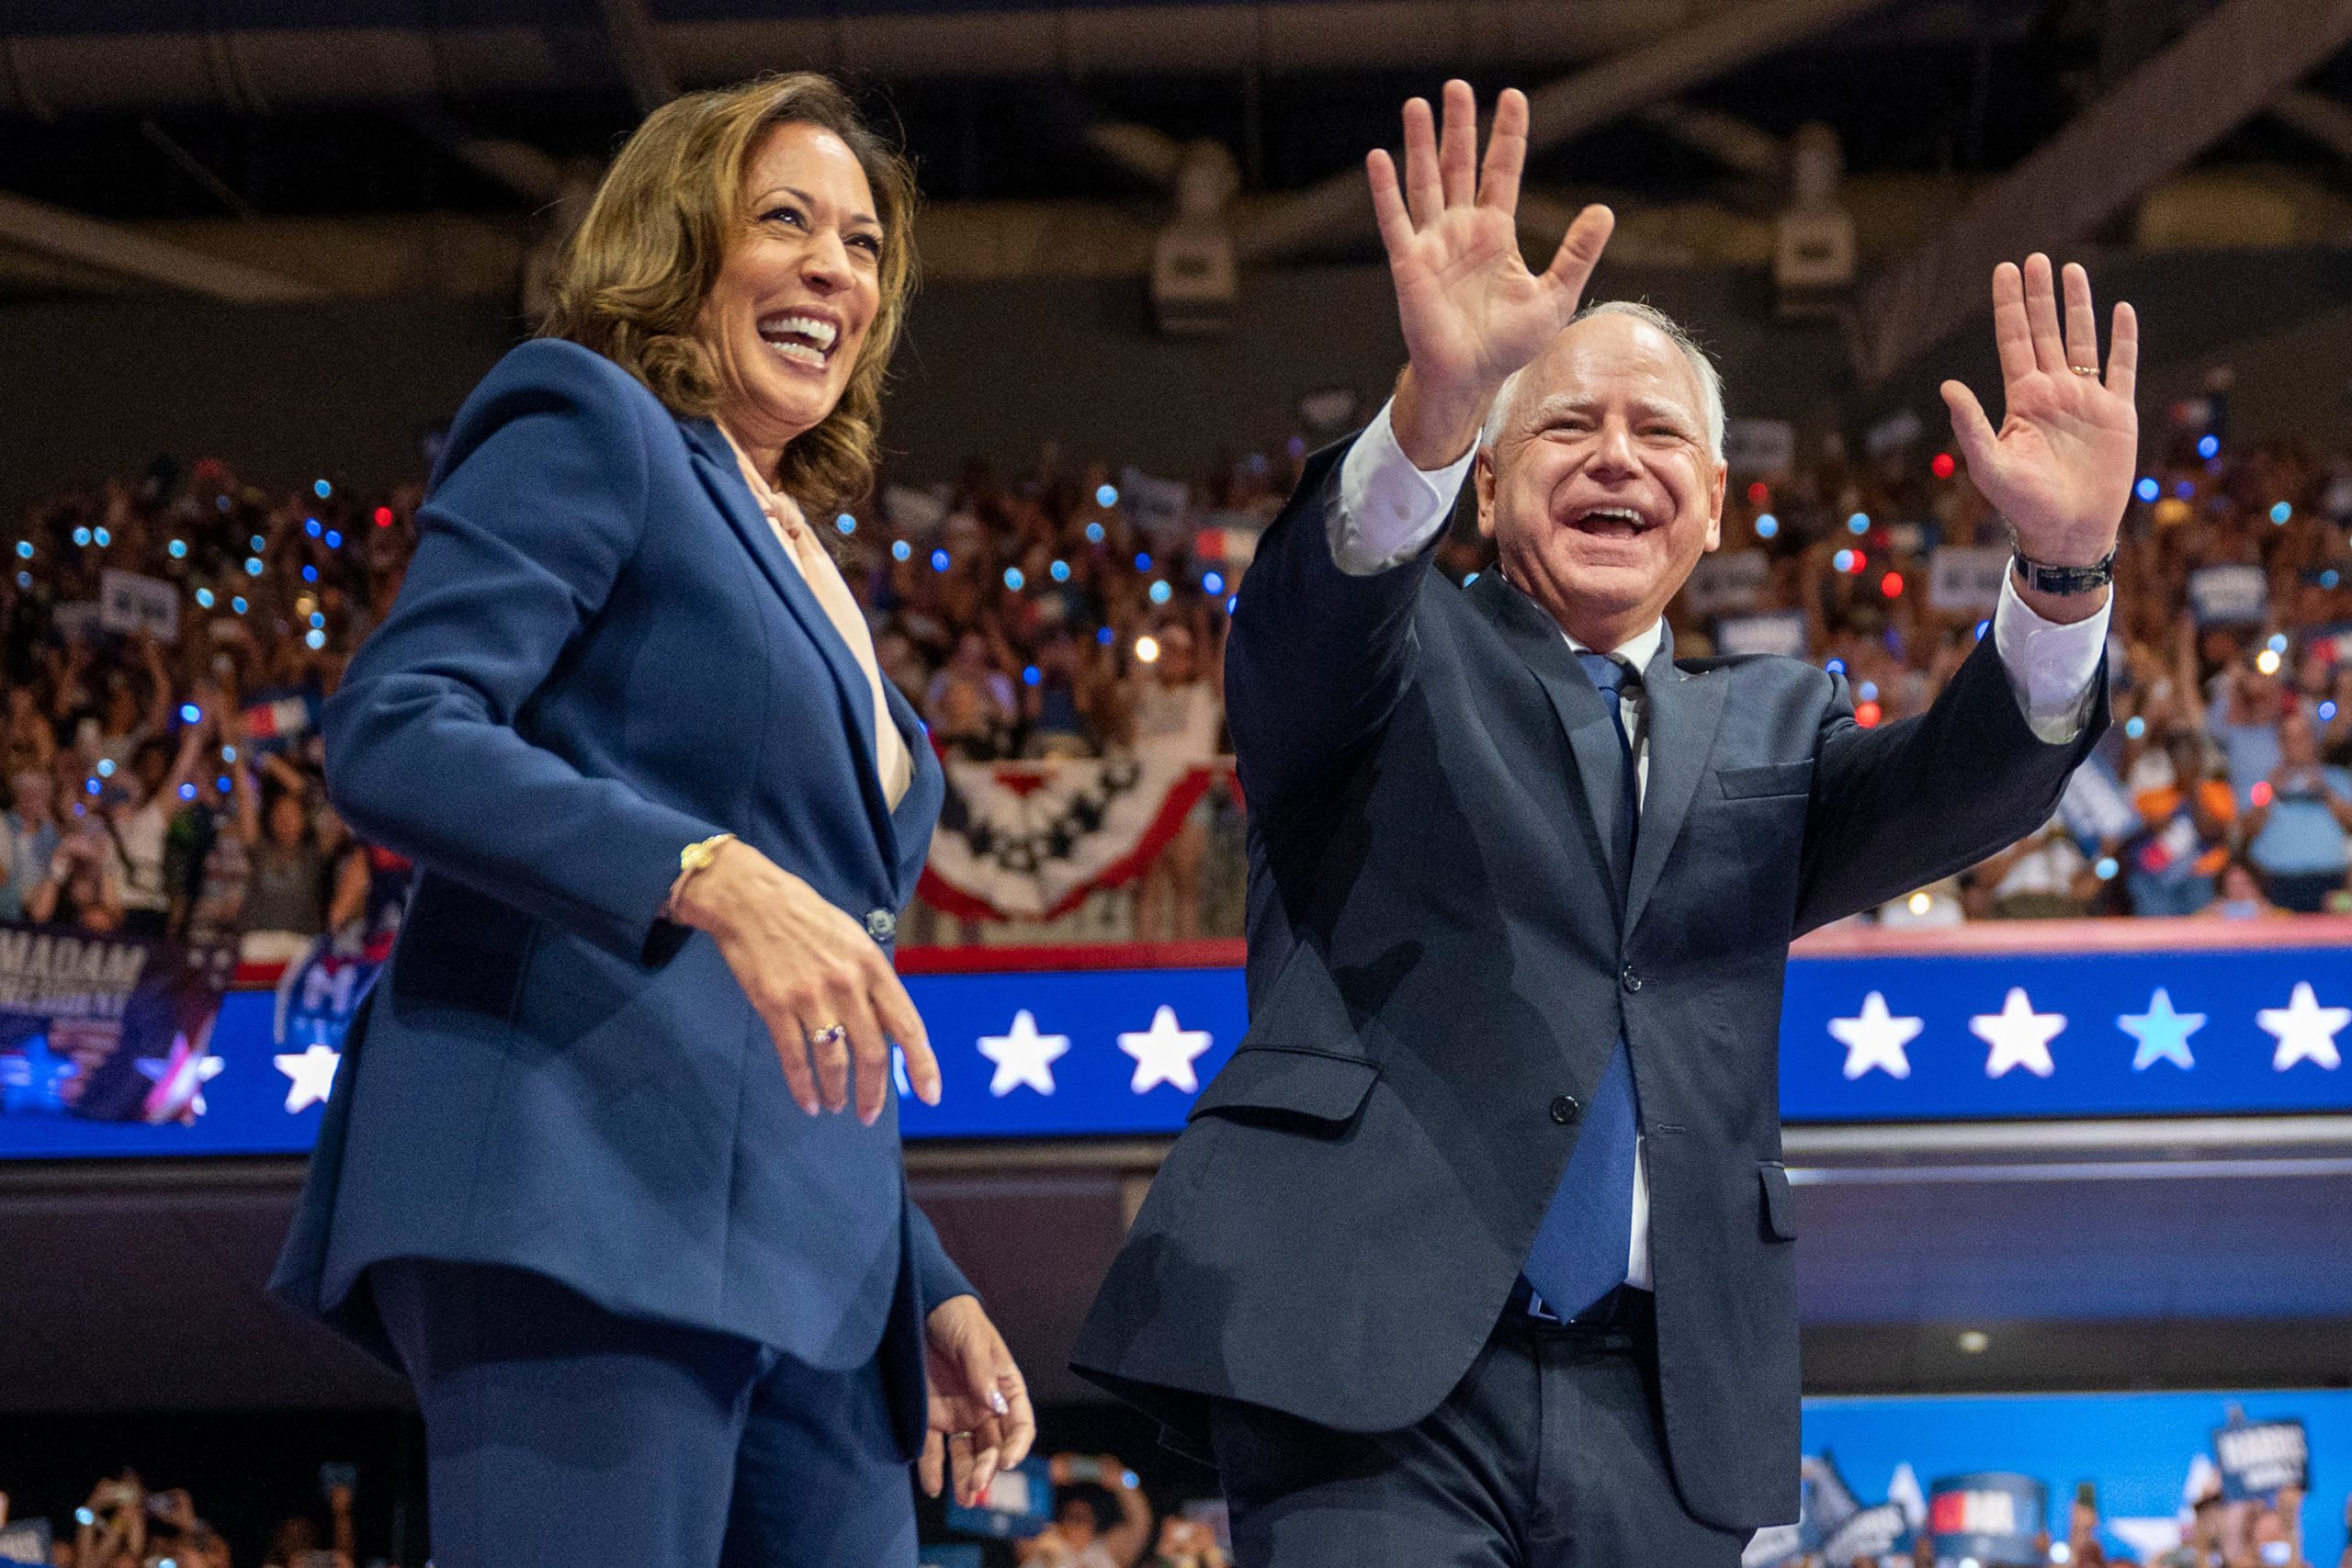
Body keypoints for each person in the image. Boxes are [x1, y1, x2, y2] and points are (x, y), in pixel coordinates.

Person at [1073, 82, 2128, 1568]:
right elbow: (1319, 609)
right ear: (1491, 485)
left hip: (1667, 1398)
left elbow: (1981, 776)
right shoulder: (1386, 659)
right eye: (1567, 423)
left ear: (1708, 512)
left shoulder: (1775, 725)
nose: (1618, 456)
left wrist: (2068, 569)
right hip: (1370, 1370)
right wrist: (1435, 402)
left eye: (1659, 438)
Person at [270, 73, 1032, 1568]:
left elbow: (817, 975)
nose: (836, 268)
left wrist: (915, 1276)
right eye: (786, 222)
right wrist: (699, 869)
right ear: (676, 244)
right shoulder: (590, 419)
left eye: (866, 245)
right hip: (580, 1192)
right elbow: (395, 729)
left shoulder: (805, 543)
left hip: (814, 1267)